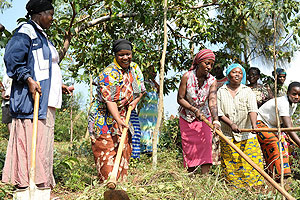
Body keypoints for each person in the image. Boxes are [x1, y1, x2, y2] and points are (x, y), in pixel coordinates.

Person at [2, 0, 72, 198]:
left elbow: (44, 69)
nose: (52, 18)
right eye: (50, 13)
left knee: (42, 147)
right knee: (30, 147)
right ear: (38, 14)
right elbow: (12, 60)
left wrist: (59, 85)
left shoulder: (42, 36)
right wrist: (28, 79)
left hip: (46, 101)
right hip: (30, 103)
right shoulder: (26, 32)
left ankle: (40, 190)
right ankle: (25, 190)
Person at [88, 39, 145, 183]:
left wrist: (134, 101)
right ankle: (107, 186)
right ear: (115, 55)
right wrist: (118, 119)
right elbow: (111, 100)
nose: (125, 58)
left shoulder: (134, 69)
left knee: (124, 150)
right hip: (104, 118)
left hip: (124, 114)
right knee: (106, 152)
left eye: (128, 54)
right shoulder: (110, 73)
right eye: (121, 55)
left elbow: (139, 91)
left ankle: (120, 187)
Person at [217, 63, 264, 188]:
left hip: (247, 134)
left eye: (240, 73)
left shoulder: (247, 91)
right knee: (231, 163)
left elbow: (252, 109)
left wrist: (254, 125)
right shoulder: (221, 91)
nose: (237, 75)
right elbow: (219, 113)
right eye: (234, 72)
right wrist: (231, 124)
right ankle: (234, 189)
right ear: (228, 75)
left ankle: (254, 189)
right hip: (228, 134)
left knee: (252, 162)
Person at [177, 49, 220, 174]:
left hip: (204, 117)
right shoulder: (187, 77)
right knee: (190, 148)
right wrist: (193, 109)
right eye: (207, 63)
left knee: (206, 145)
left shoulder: (212, 81)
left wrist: (216, 120)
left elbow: (212, 101)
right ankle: (191, 177)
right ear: (199, 62)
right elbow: (180, 99)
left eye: (211, 64)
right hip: (187, 117)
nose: (209, 67)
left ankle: (204, 179)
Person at [256, 81, 300, 180]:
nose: (297, 97)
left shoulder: (293, 104)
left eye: (299, 95)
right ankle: (279, 175)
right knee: (275, 143)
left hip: (274, 127)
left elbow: (287, 124)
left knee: (289, 145)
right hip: (260, 123)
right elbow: (289, 128)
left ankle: (286, 172)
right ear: (288, 93)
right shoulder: (283, 103)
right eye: (294, 94)